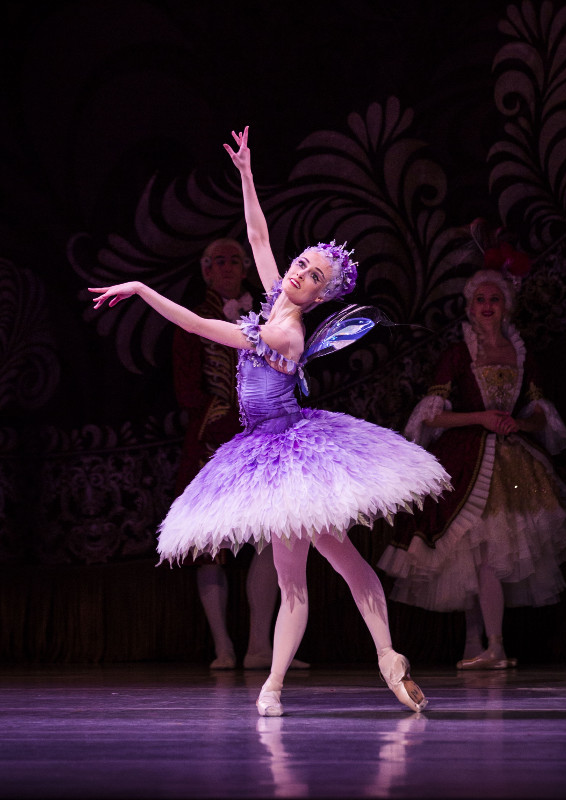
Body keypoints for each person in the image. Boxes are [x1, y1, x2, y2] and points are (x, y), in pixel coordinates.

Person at [89, 125, 451, 716]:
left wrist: (139, 288)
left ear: (319, 296)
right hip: (266, 448)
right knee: (320, 568)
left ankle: (291, 682)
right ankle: (360, 664)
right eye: (301, 264)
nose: (297, 274)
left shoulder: (282, 328)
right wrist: (248, 175)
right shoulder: (275, 298)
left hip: (288, 452)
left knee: (309, 574)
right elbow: (258, 237)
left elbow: (201, 327)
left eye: (311, 277)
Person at [378, 220, 566, 669]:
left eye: (495, 299)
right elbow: (433, 416)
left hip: (514, 465)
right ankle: (477, 643)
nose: (487, 306)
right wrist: (482, 417)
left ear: (507, 306)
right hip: (466, 459)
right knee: (468, 554)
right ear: (470, 306)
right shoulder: (457, 354)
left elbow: (542, 410)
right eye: (481, 299)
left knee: (489, 553)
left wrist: (520, 426)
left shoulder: (522, 352)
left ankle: (495, 645)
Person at [173, 237, 308, 670]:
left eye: (235, 260)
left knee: (274, 538)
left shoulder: (269, 309)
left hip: (263, 432)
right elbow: (188, 387)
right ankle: (222, 647)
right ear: (206, 270)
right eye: (219, 262)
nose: (228, 268)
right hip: (214, 434)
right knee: (211, 544)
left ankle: (259, 647)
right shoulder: (196, 317)